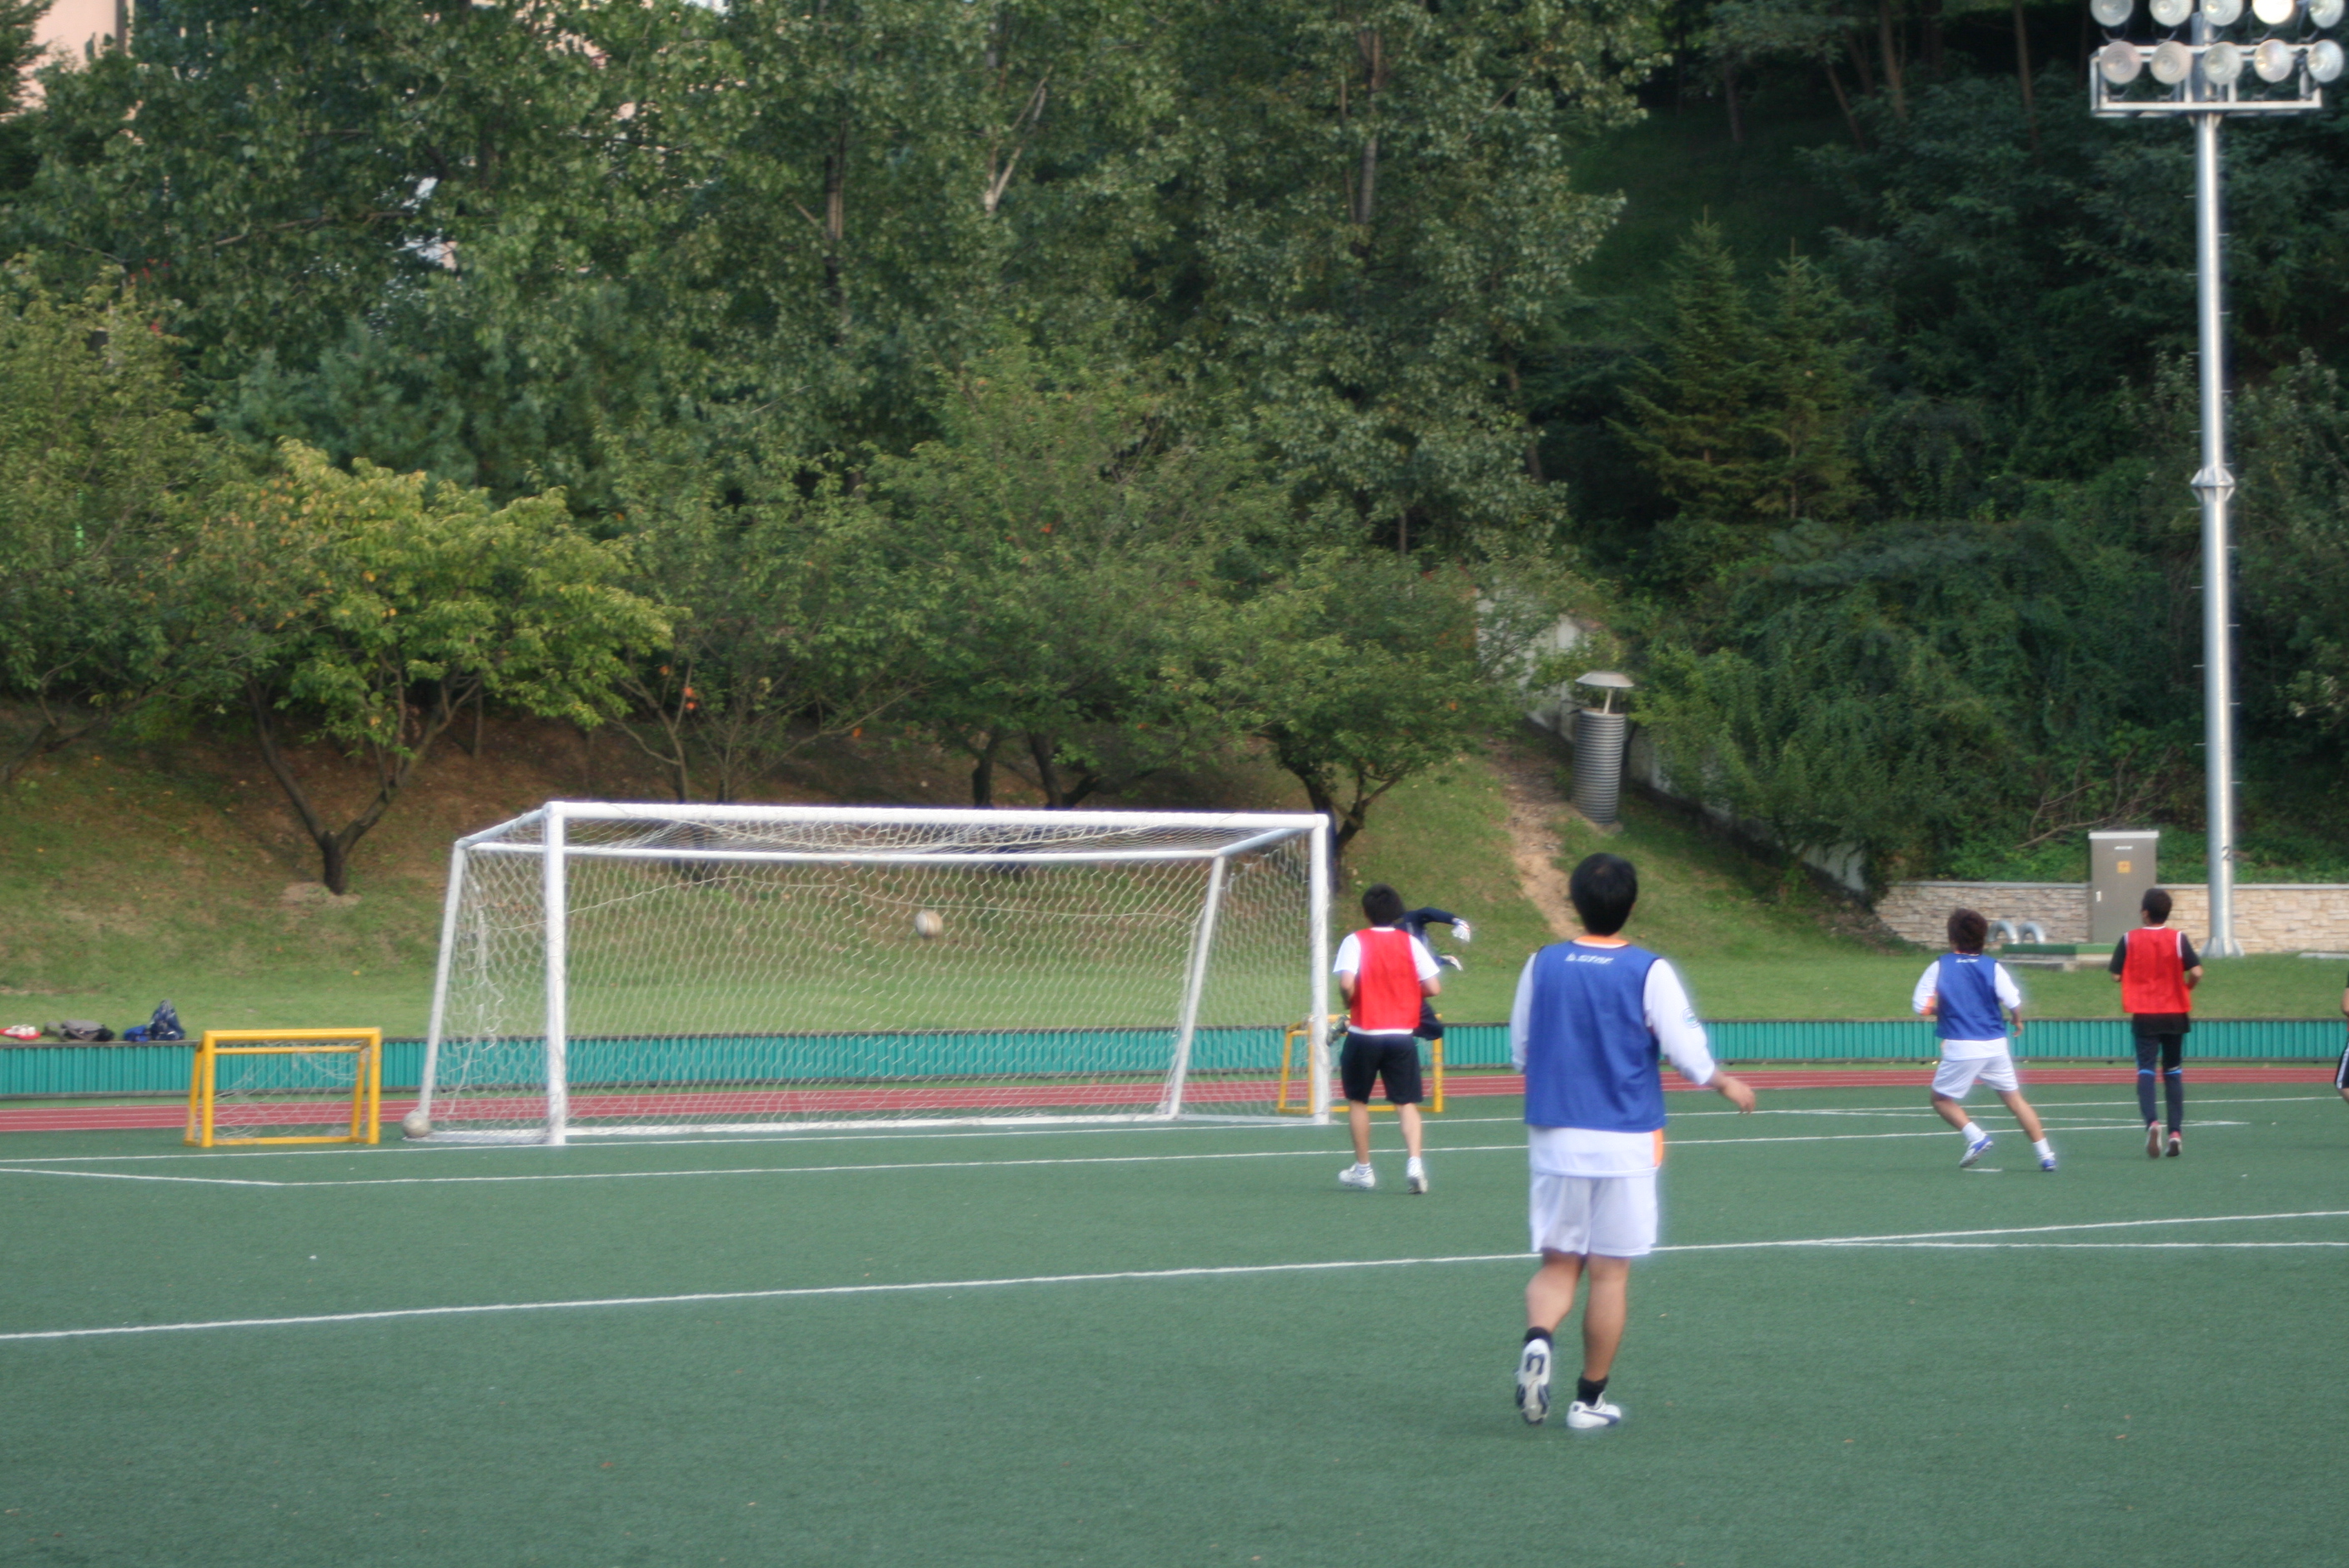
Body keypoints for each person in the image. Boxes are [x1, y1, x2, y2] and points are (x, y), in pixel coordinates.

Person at [1510, 853, 1755, 1430]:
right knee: (1610, 1273)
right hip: (1625, 1137)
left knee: (1558, 1264)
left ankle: (1539, 1338)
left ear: (1573, 900)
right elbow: (1686, 1050)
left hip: (1555, 1135)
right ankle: (1589, 1401)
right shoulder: (1650, 970)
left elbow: (1522, 1050)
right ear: (1632, 904)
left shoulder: (1541, 962)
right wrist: (1723, 1082)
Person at [1914, 908, 2055, 1172]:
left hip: (1962, 1045)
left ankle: (1976, 1137)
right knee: (2015, 1101)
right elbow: (2013, 1001)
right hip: (1995, 1044)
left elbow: (1920, 1006)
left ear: (1952, 938)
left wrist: (1941, 1010)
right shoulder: (1993, 966)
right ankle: (2046, 1155)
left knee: (1940, 1099)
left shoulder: (1940, 966)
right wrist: (2017, 1020)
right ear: (1983, 939)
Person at [1333, 882, 1441, 1194]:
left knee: (1358, 1101)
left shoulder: (1355, 941)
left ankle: (1364, 1170)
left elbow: (1346, 983)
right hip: (1401, 1036)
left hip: (1364, 1034)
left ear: (1365, 911)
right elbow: (1433, 987)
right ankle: (1415, 1164)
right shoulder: (1410, 943)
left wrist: (1350, 999)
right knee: (1406, 1103)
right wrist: (1405, 992)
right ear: (1397, 911)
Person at [2109, 888, 2202, 1158]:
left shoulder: (2129, 939)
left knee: (2146, 1071)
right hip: (2175, 1013)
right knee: (2173, 1072)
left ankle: (2152, 1122)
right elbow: (2197, 971)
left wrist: (2134, 975)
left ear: (2145, 912)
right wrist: (2187, 987)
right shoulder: (2178, 939)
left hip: (2145, 1013)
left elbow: (2115, 976)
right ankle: (2175, 1134)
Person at [1397, 905, 1471, 1046]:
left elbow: (1427, 912)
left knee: (1434, 1030)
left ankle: (1401, 1031)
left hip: (1408, 985)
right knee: (1432, 1029)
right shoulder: (1386, 932)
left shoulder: (1410, 919)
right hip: (1401, 986)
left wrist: (1455, 920)